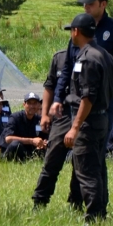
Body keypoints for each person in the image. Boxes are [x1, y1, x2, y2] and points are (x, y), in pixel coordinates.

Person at [50, 0, 113, 213]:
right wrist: (58, 98)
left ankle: (98, 206)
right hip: (75, 102)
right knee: (79, 152)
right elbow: (67, 66)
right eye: (84, 3)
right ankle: (75, 200)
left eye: (91, 3)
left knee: (96, 154)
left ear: (103, 4)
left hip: (101, 104)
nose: (86, 7)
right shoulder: (80, 27)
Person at [61, 13, 113, 224]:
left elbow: (87, 96)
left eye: (72, 30)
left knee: (86, 170)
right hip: (102, 119)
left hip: (88, 121)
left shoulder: (86, 58)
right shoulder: (105, 54)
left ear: (76, 31)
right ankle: (100, 212)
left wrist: (75, 127)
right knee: (98, 166)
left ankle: (93, 217)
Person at [32, 49, 83, 209]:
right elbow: (49, 87)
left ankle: (76, 202)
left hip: (85, 111)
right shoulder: (60, 57)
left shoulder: (94, 56)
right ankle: (39, 202)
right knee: (52, 159)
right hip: (62, 113)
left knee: (81, 162)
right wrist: (45, 115)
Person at [0, 92, 46, 162]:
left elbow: (46, 137)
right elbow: (8, 139)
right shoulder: (15, 117)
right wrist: (32, 141)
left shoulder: (39, 119)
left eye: (34, 103)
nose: (32, 106)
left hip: (28, 151)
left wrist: (43, 143)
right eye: (29, 103)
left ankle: (31, 159)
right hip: (12, 150)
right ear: (24, 104)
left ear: (39, 105)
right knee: (15, 144)